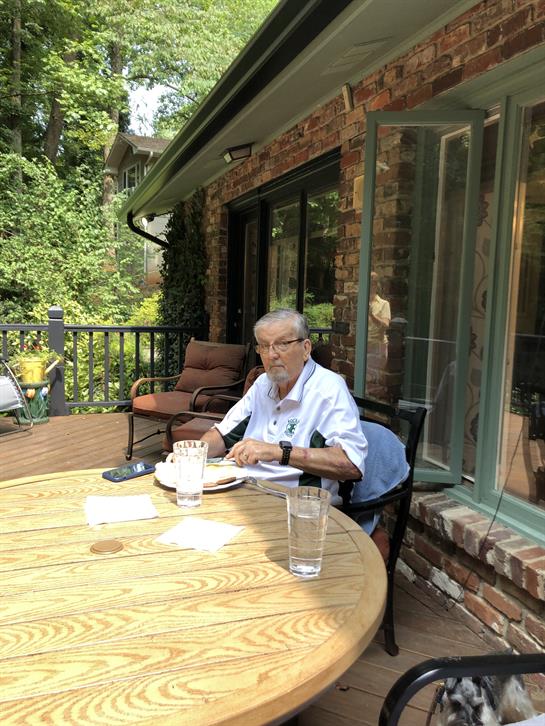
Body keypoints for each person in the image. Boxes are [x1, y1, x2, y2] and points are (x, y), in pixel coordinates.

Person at [200, 309, 367, 501]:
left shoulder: (328, 390)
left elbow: (351, 464)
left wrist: (277, 452)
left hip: (297, 505)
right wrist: (192, 454)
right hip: (246, 491)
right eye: (264, 346)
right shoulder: (263, 383)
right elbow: (222, 435)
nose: (272, 355)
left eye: (282, 344)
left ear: (305, 349)